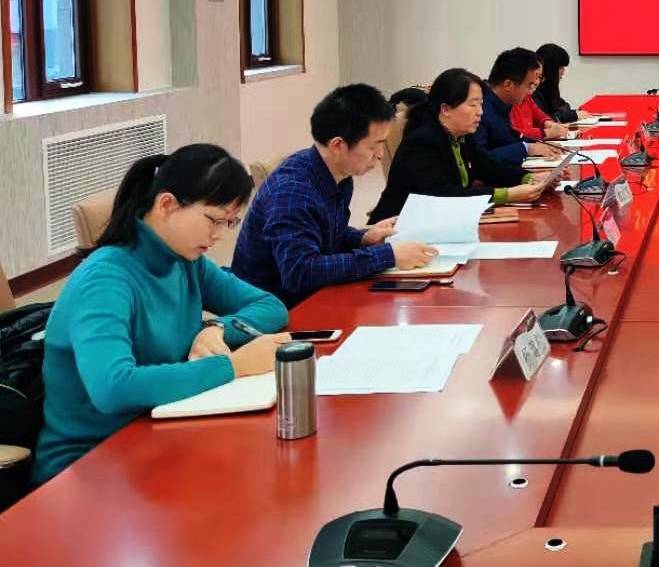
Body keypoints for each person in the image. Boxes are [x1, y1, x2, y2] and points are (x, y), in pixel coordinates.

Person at [33, 145, 290, 484]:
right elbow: (113, 388)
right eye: (213, 220)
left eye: (229, 222)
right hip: (91, 462)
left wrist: (215, 328)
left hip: (163, 432)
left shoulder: (185, 260)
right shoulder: (105, 279)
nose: (219, 235)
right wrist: (234, 366)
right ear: (167, 204)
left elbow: (270, 307)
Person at [231, 84, 439, 307]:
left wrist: (363, 238)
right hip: (274, 311)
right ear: (338, 145)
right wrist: (389, 255)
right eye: (373, 147)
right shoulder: (293, 192)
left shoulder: (338, 173)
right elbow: (300, 273)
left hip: (316, 298)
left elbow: (323, 234)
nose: (380, 155)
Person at [371, 67, 544, 222]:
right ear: (445, 109)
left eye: (481, 104)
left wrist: (528, 178)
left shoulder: (461, 136)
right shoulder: (421, 143)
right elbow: (443, 194)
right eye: (473, 105)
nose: (480, 112)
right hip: (395, 229)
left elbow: (489, 168)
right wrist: (507, 195)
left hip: (438, 223)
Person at [479, 48, 566, 165]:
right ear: (508, 85)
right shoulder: (480, 109)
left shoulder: (502, 104)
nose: (531, 92)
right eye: (529, 85)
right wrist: (527, 149)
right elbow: (479, 160)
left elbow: (510, 139)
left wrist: (535, 145)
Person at [534, 43, 592, 124]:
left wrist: (565, 114)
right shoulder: (533, 90)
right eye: (560, 67)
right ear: (550, 68)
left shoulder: (549, 89)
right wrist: (572, 115)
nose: (563, 72)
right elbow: (542, 120)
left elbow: (565, 105)